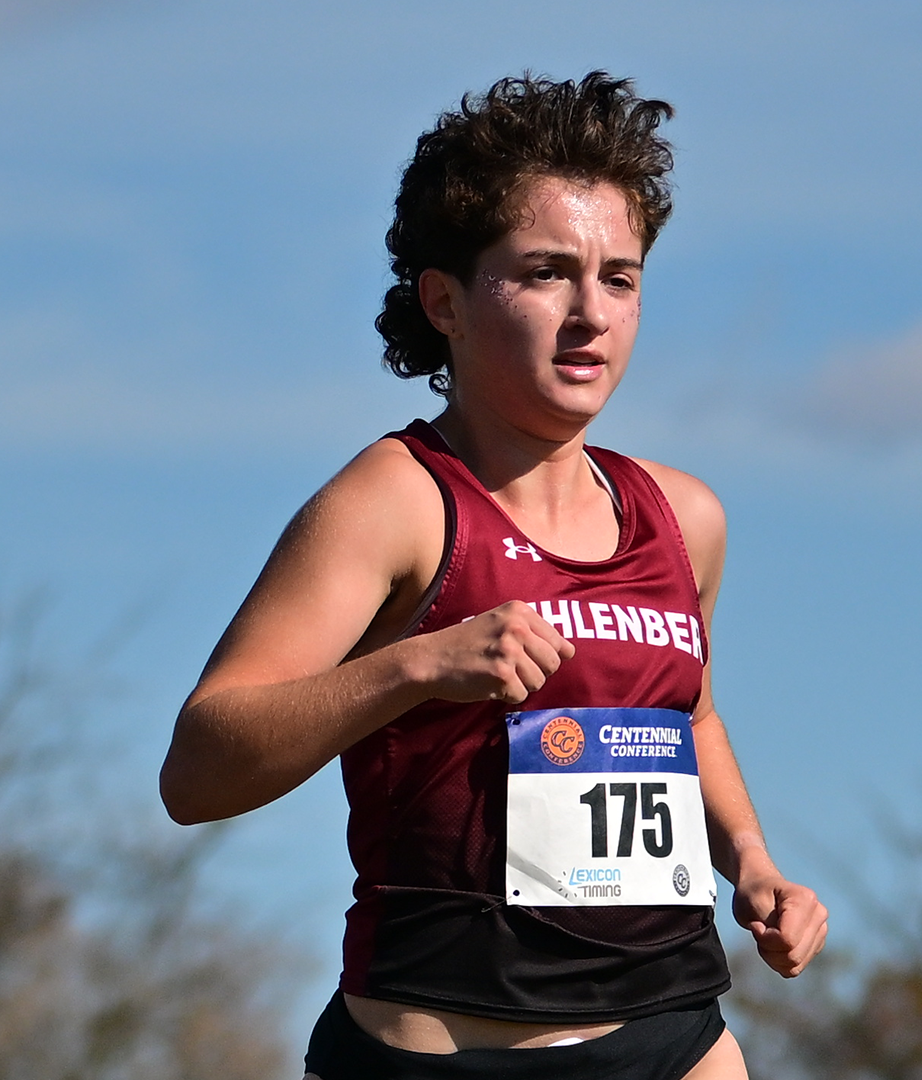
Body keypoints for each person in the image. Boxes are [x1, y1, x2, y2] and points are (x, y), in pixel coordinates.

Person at [158, 72, 826, 1080]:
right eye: (547, 273)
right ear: (446, 301)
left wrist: (754, 863)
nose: (590, 315)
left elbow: (691, 718)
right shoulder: (397, 501)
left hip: (671, 1034)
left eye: (620, 278)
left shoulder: (685, 518)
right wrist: (416, 666)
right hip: (435, 1048)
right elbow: (197, 770)